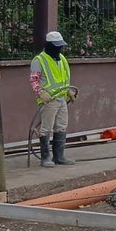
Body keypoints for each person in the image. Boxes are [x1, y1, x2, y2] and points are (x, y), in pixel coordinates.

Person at [29, 31, 74, 168]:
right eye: (56, 46)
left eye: (60, 46)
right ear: (48, 46)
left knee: (61, 126)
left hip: (61, 98)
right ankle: (45, 158)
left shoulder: (62, 59)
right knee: (46, 128)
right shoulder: (39, 60)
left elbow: (64, 79)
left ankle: (59, 157)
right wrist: (41, 93)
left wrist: (69, 91)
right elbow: (34, 80)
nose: (59, 48)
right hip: (49, 100)